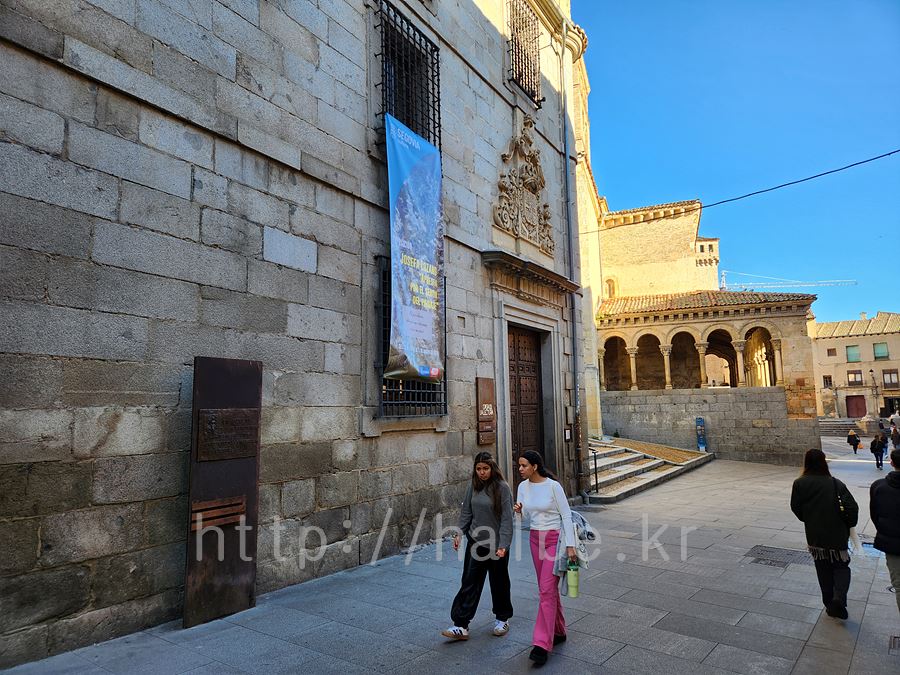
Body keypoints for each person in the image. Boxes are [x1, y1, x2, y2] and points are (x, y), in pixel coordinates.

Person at [442, 452, 514, 641]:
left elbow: (507, 519)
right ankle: (461, 625)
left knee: (499, 583)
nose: (482, 472)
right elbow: (466, 512)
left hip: (497, 545)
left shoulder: (502, 488)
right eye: (479, 469)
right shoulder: (473, 486)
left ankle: (502, 619)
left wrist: (503, 545)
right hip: (476, 543)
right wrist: (459, 533)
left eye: (486, 468)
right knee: (469, 582)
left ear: (492, 468)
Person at [513, 451, 577, 666]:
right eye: (519, 465)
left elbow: (566, 515)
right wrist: (518, 512)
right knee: (546, 589)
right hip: (534, 539)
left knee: (546, 590)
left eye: (523, 465)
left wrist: (570, 546)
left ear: (535, 466)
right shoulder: (522, 487)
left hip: (554, 540)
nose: (520, 469)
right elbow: (523, 519)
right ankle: (558, 630)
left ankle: (541, 644)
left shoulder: (553, 486)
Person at [790, 448, 859, 620]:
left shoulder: (799, 483)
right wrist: (849, 524)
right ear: (823, 462)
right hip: (837, 534)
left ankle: (829, 603)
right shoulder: (835, 483)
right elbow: (852, 507)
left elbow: (795, 507)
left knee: (823, 569)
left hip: (815, 535)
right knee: (841, 566)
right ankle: (839, 598)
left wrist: (809, 518)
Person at [870, 449, 900, 617]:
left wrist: (884, 531)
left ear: (892, 463)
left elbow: (874, 514)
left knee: (899, 585)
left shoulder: (879, 486)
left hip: (892, 543)